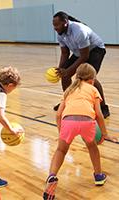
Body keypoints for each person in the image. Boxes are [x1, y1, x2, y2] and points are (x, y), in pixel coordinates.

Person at [43, 63, 117, 200]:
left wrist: (61, 131)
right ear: (92, 79)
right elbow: (99, 114)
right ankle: (99, 176)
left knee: (61, 150)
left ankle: (52, 176)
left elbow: (58, 114)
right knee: (92, 147)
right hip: (87, 121)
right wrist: (105, 134)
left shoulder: (69, 90)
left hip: (68, 121)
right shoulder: (93, 89)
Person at [52, 11, 110, 118]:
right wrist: (61, 69)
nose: (55, 28)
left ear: (65, 22)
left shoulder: (79, 31)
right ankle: (69, 101)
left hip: (95, 50)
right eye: (53, 25)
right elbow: (65, 53)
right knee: (64, 76)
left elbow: (85, 56)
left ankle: (103, 107)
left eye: (57, 25)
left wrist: (69, 70)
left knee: (88, 77)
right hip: (80, 52)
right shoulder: (60, 34)